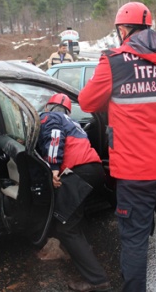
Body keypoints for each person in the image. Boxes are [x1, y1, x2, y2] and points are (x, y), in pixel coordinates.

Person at [78, 2, 156, 292]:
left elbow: (87, 102)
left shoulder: (114, 62)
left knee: (135, 237)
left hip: (137, 172)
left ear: (123, 30)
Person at [36, 93, 111, 292]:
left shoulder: (50, 118)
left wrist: (53, 168)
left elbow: (54, 138)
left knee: (66, 226)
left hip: (78, 172)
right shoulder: (74, 123)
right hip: (94, 170)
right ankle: (82, 252)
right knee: (75, 216)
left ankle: (97, 280)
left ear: (48, 107)